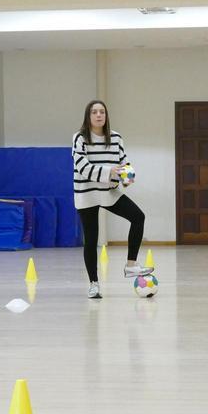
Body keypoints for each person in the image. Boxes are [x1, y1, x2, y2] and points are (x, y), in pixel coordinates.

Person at [71, 100, 153, 298]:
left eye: (102, 112)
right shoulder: (79, 138)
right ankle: (94, 284)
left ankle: (131, 265)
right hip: (87, 193)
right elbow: (83, 167)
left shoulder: (116, 138)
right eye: (94, 112)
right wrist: (110, 172)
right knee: (91, 239)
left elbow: (124, 162)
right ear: (88, 116)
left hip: (109, 191)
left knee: (138, 217)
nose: (98, 115)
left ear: (106, 116)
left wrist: (127, 176)